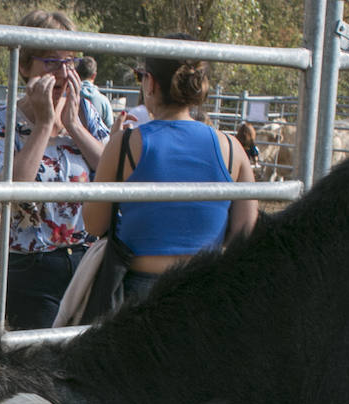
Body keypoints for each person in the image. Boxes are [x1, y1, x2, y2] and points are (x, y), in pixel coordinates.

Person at [84, 38, 257, 305]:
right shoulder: (233, 149)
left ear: (150, 83)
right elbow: (244, 235)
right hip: (206, 292)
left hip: (139, 293)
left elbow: (94, 224)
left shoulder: (125, 144)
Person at [0, 9, 110, 330]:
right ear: (24, 65)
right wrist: (44, 124)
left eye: (70, 62)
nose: (65, 73)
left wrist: (76, 127)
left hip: (87, 260)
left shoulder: (86, 113)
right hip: (30, 266)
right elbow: (14, 189)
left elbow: (113, 173)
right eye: (51, 62)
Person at [76, 56, 114, 127]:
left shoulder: (67, 97)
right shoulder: (103, 101)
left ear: (77, 73)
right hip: (95, 137)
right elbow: (109, 128)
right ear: (94, 75)